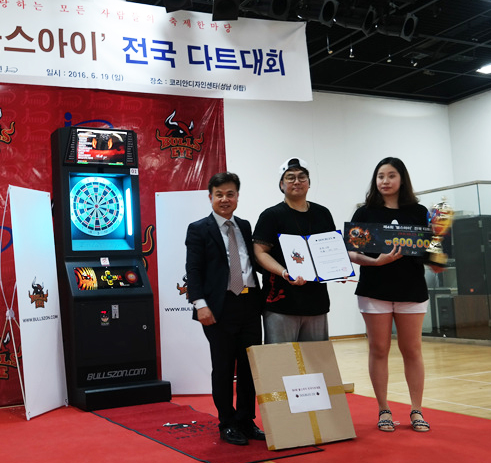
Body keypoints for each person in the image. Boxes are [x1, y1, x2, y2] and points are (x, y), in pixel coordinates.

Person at [348, 157, 443, 433]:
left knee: (412, 350)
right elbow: (351, 252)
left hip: (411, 290)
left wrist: (437, 260)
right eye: (381, 176)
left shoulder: (419, 212)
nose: (385, 181)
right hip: (374, 290)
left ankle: (417, 410)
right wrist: (375, 262)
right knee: (379, 349)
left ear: (402, 179)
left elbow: (430, 250)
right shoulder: (365, 212)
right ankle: (383, 409)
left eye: (391, 176)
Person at [185, 171, 265, 446]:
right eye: (219, 194)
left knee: (249, 367)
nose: (225, 199)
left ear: (237, 197)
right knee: (223, 368)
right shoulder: (199, 229)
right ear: (210, 197)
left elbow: (252, 261)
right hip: (219, 308)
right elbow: (193, 270)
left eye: (230, 194)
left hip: (250, 303)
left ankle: (246, 420)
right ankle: (227, 423)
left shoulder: (244, 225)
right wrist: (200, 305)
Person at [253, 157, 337, 343]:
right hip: (281, 303)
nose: (297, 181)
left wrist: (338, 270)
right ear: (281, 184)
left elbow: (332, 249)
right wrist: (284, 272)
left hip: (316, 302)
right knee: (282, 359)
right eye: (290, 177)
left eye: (302, 177)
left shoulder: (323, 213)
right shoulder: (271, 215)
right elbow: (259, 253)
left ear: (309, 183)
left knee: (316, 359)